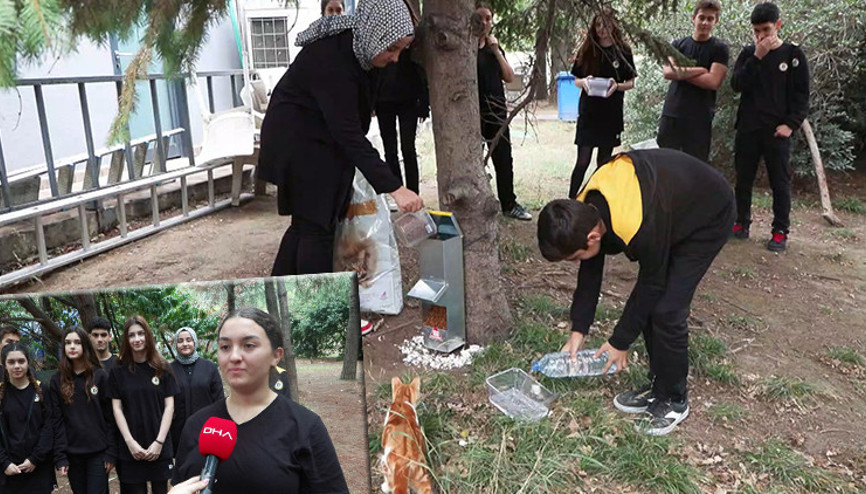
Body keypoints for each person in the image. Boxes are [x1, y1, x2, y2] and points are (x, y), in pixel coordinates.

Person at [537, 148, 735, 436]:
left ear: (593, 237)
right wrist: (578, 331)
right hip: (671, 208)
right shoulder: (583, 208)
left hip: (708, 214)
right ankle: (658, 386)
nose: (576, 263)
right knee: (654, 306)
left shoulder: (635, 224)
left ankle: (674, 398)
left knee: (667, 310)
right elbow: (590, 270)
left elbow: (651, 284)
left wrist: (620, 342)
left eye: (574, 256)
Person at [259, 0, 424, 276]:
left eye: (401, 49)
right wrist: (396, 187)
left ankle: (276, 299)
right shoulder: (332, 58)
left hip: (320, 140)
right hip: (298, 143)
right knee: (317, 228)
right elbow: (348, 133)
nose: (396, 58)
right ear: (375, 33)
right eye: (392, 48)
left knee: (307, 225)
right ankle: (318, 312)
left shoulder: (361, 50)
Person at [172, 308, 348, 492]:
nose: (234, 357)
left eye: (248, 345)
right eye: (225, 347)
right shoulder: (196, 425)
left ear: (276, 355)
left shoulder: (305, 427)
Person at [730, 2, 809, 252]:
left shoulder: (793, 55)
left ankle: (780, 230)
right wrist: (756, 57)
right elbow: (737, 85)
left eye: (765, 29)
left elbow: (801, 96)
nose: (761, 36)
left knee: (779, 182)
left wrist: (790, 124)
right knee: (743, 180)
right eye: (756, 31)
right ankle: (741, 222)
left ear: (778, 25)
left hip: (777, 131)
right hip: (748, 128)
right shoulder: (748, 54)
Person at [568, 7, 637, 199]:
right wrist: (585, 82)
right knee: (582, 160)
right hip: (589, 112)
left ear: (614, 25)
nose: (601, 29)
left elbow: (630, 83)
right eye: (598, 24)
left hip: (611, 113)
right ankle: (571, 200)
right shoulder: (588, 48)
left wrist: (617, 86)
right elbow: (576, 80)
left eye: (605, 25)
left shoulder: (623, 51)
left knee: (604, 162)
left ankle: (599, 201)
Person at [107, 316, 178, 494]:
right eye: (132, 335)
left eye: (141, 333)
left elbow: (169, 407)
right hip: (131, 447)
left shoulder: (162, 367)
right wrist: (130, 442)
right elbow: (117, 408)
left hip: (159, 444)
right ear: (126, 339)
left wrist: (159, 442)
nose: (137, 339)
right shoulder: (118, 370)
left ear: (148, 336)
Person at [476, 2, 532, 220]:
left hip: (496, 111)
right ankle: (478, 204)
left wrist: (496, 51)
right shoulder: (465, 50)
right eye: (479, 18)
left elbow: (509, 77)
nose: (484, 23)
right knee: (474, 161)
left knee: (504, 160)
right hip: (473, 114)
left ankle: (509, 204)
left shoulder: (494, 49)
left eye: (488, 18)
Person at [657, 0, 729, 163]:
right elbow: (668, 72)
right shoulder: (677, 45)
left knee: (695, 167)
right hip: (672, 115)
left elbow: (712, 81)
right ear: (693, 18)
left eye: (710, 19)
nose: (705, 22)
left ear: (716, 22)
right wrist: (700, 70)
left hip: (699, 119)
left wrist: (681, 73)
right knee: (666, 164)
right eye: (701, 17)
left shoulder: (719, 49)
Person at [48, 326, 117, 494]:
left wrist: (111, 453)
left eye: (77, 342)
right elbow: (56, 421)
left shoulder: (100, 376)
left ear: (85, 346)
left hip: (98, 453)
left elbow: (111, 418)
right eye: (68, 343)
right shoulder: (57, 381)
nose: (72, 346)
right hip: (72, 454)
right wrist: (60, 456)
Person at [370, 46, 429, 194]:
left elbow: (421, 71)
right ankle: (398, 190)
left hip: (408, 101)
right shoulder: (380, 42)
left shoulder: (409, 40)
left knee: (408, 148)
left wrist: (424, 104)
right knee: (390, 150)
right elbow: (372, 72)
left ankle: (413, 191)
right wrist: (371, 102)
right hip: (384, 101)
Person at [0, 343, 54, 493]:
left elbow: (49, 427)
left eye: (21, 361)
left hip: (38, 469)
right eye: (11, 362)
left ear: (28, 363)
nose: (17, 366)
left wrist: (35, 459)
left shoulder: (43, 390)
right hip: (9, 471)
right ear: (4, 365)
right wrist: (4, 463)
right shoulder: (1, 394)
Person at [169, 327, 224, 456]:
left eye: (189, 340)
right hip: (178, 432)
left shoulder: (209, 367)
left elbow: (219, 400)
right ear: (176, 345)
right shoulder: (169, 370)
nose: (185, 344)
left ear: (194, 342)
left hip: (206, 429)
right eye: (180, 341)